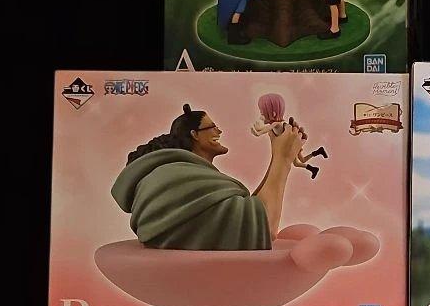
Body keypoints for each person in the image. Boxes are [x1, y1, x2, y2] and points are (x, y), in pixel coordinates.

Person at [113, 105, 302, 250]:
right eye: (212, 127)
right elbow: (263, 227)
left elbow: (251, 212)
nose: (219, 131)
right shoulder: (177, 178)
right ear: (194, 134)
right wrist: (283, 158)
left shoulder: (183, 177)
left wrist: (278, 151)